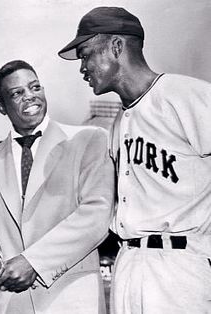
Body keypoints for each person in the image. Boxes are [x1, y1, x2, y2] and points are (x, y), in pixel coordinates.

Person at [58, 6, 211, 314]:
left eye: (86, 54)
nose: (82, 67)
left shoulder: (187, 96)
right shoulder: (119, 122)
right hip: (128, 263)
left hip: (180, 265)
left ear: (116, 47)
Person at [0, 60, 115, 313]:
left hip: (73, 298)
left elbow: (97, 215)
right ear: (1, 107)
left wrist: (33, 262)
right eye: (17, 93)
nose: (29, 97)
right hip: (12, 301)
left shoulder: (89, 139)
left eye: (35, 87)